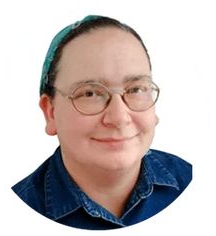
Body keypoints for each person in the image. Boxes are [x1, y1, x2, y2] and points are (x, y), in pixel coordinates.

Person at [12, 15, 192, 230]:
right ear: (50, 113)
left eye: (136, 89)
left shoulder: (193, 183)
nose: (119, 118)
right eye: (89, 93)